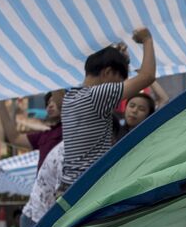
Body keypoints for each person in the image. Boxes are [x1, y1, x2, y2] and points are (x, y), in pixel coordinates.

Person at [61, 29, 157, 192]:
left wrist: (116, 57)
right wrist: (147, 39)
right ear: (106, 72)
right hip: (88, 188)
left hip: (69, 185)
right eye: (118, 82)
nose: (118, 89)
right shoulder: (96, 95)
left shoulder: (70, 97)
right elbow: (147, 76)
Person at [0, 89, 65, 169]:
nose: (49, 105)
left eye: (54, 101)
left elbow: (62, 103)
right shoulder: (43, 135)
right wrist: (1, 107)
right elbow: (15, 138)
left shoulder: (69, 127)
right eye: (48, 103)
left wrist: (54, 86)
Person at [19, 141, 65, 227]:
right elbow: (63, 195)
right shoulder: (67, 152)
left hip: (39, 218)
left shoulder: (67, 146)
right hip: (36, 219)